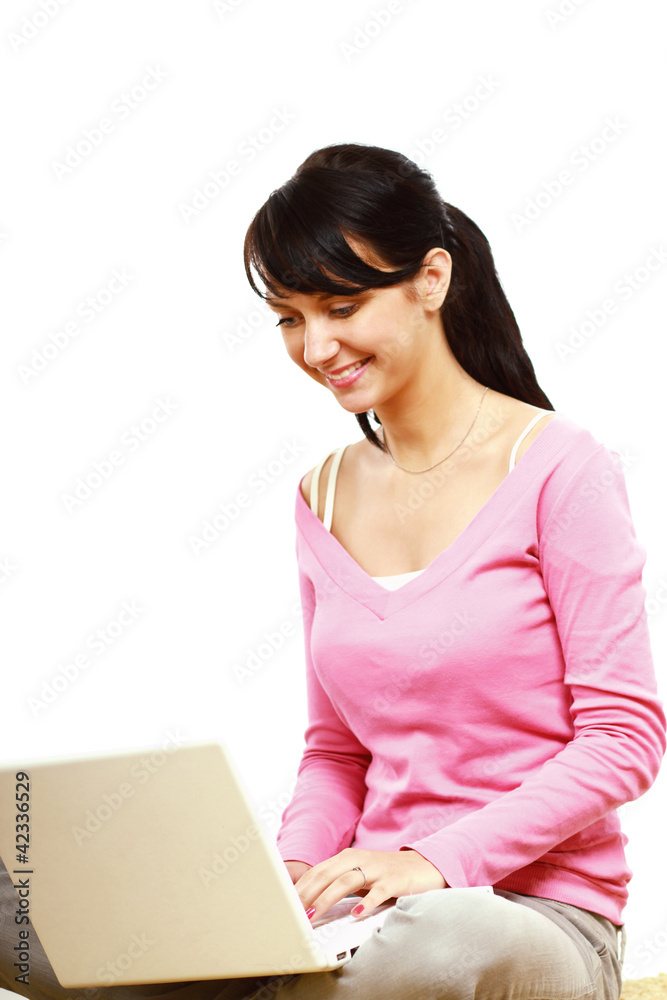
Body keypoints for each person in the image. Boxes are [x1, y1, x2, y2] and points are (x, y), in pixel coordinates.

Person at [1, 141, 664, 1000]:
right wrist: (289, 880)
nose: (316, 346)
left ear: (431, 278)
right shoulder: (323, 494)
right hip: (357, 921)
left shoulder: (558, 467)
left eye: (342, 305)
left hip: (528, 916)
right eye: (288, 317)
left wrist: (437, 860)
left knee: (436, 937)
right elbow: (337, 751)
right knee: (30, 919)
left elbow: (624, 738)